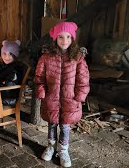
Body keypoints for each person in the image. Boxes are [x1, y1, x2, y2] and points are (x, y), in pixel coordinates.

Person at [33, 22, 90, 167]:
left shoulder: (78, 58)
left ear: (72, 39)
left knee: (65, 126)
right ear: (55, 39)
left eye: (68, 37)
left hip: (69, 100)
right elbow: (39, 77)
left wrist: (79, 97)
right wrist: (42, 92)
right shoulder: (46, 57)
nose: (64, 40)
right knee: (52, 124)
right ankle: (51, 147)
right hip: (51, 99)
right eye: (61, 37)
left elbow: (83, 80)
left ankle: (63, 150)